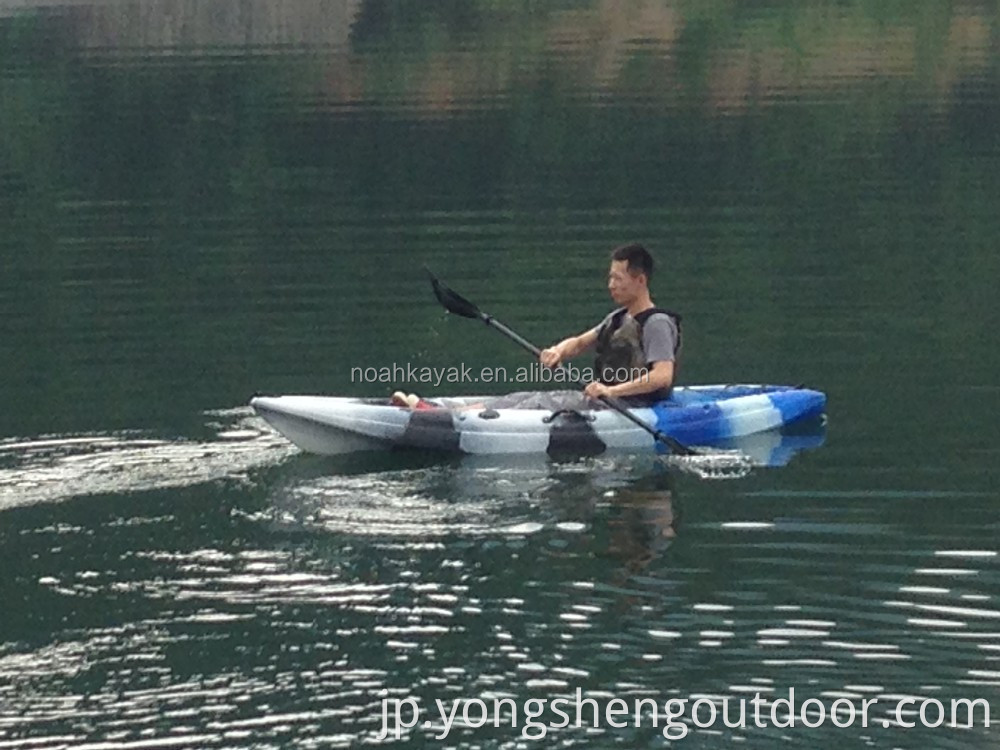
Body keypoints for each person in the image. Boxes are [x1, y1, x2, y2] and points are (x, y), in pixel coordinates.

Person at [393, 243, 681, 411]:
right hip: (605, 401)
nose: (611, 285)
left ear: (640, 280)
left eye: (618, 279)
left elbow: (662, 378)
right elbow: (580, 343)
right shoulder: (617, 318)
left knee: (540, 403)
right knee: (521, 398)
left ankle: (433, 415)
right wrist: (557, 351)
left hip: (634, 408)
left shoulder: (656, 324)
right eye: (610, 277)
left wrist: (611, 392)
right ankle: (439, 412)